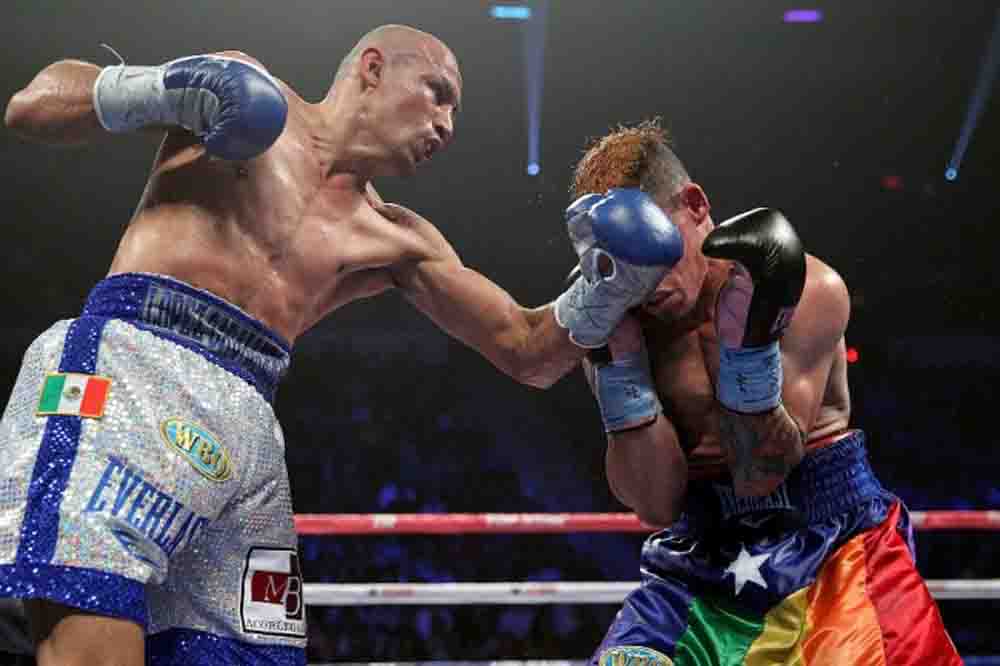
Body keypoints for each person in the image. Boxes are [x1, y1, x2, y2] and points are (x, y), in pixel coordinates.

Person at [1, 24, 681, 665]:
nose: (446, 124)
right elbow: (32, 105)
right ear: (373, 69)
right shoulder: (236, 85)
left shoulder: (394, 236)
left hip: (248, 429)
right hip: (133, 363)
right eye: (437, 93)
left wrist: (605, 289)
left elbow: (526, 350)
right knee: (93, 615)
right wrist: (166, 87)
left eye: (456, 111)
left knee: (246, 650)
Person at [558, 120, 962, 664]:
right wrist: (617, 370)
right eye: (622, 262)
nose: (643, 283)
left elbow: (760, 475)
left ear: (695, 206)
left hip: (833, 549)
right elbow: (655, 504)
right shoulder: (620, 321)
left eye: (652, 250)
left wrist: (749, 347)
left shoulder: (805, 289)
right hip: (700, 559)